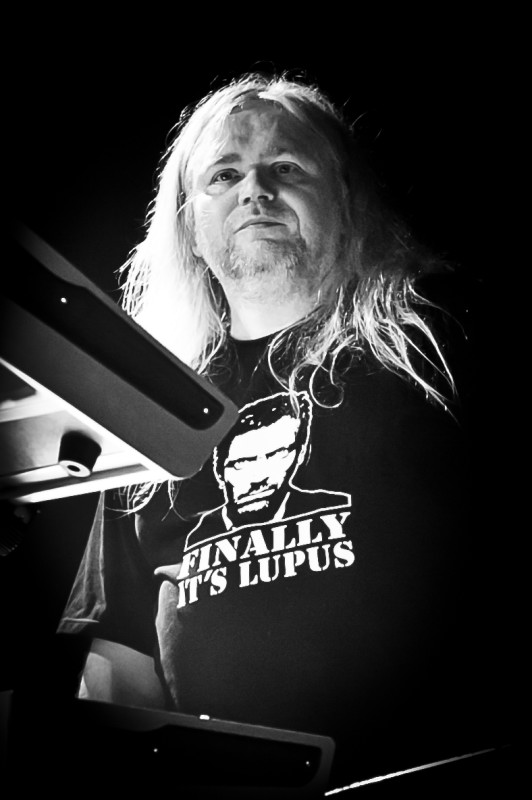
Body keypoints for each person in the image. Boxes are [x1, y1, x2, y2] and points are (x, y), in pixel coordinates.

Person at [56, 72, 503, 788]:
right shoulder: (151, 409)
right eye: (224, 175)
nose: (255, 191)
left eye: (286, 167)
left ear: (346, 200)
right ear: (188, 225)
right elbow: (118, 659)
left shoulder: (433, 350)